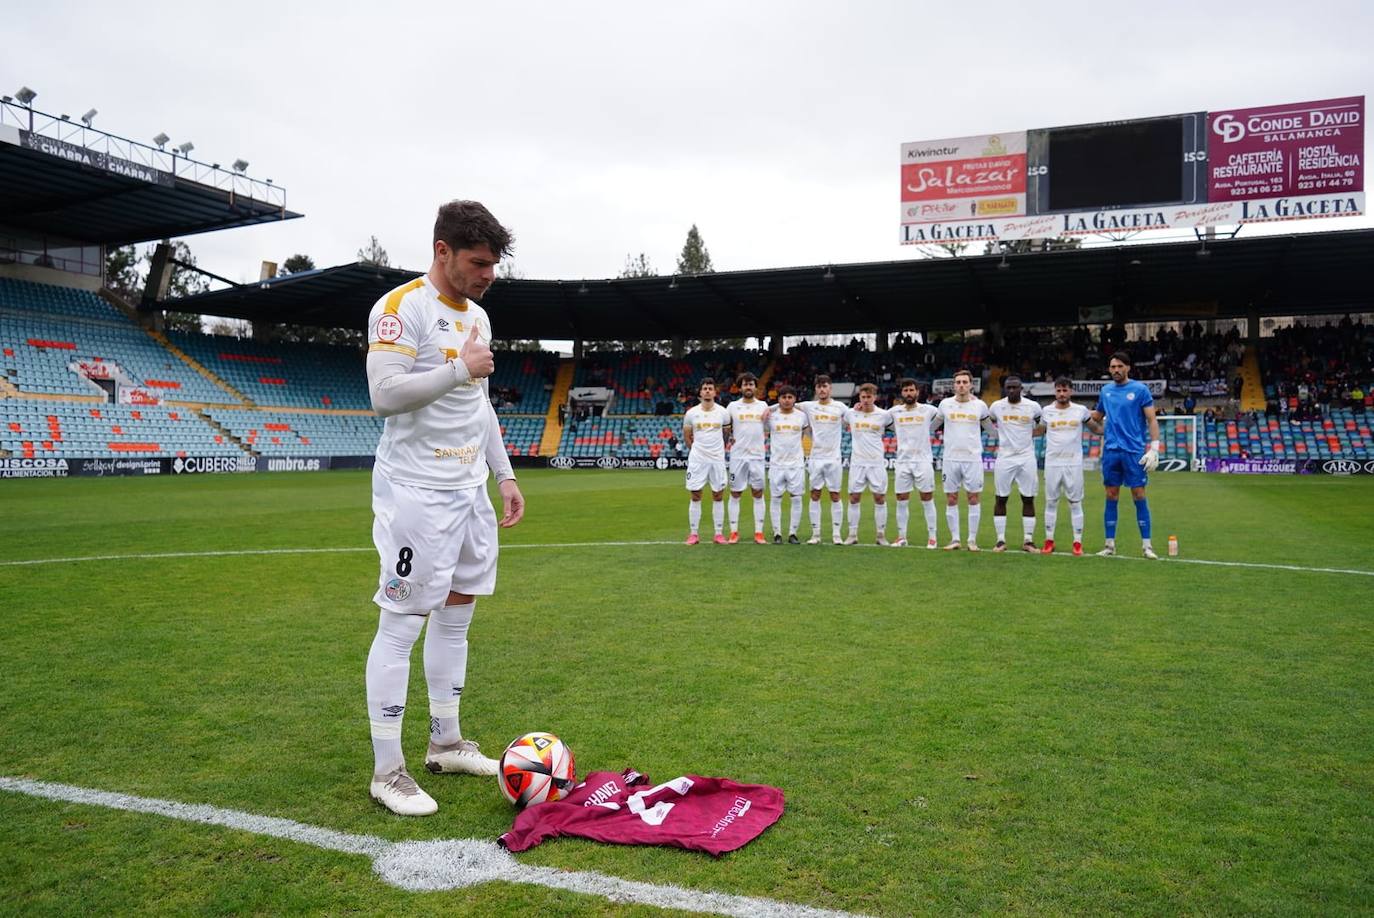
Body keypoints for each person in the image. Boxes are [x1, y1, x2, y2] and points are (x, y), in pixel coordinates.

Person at [363, 199, 524, 817]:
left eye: (493, 265)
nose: (487, 275)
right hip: (416, 492)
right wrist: (459, 366)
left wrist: (503, 475)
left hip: (468, 490)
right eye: (478, 262)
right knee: (402, 624)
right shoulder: (401, 310)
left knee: (456, 618)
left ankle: (446, 742)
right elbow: (384, 395)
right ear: (442, 252)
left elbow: (478, 407)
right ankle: (388, 771)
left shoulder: (479, 316)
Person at [1091, 352, 1162, 559]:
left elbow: (1152, 420)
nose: (1115, 370)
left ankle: (1147, 546)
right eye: (1112, 367)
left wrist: (1154, 448)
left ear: (1128, 367)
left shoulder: (1140, 390)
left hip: (1134, 452)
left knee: (1139, 495)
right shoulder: (1106, 391)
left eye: (1120, 366)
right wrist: (1075, 414)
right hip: (1112, 451)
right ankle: (1109, 545)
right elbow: (1097, 416)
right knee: (1111, 495)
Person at [1040, 377, 1102, 556]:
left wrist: (1116, 429)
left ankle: (1077, 542)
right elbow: (1039, 430)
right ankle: (1049, 541)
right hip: (1052, 463)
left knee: (1075, 502)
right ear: (1055, 392)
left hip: (1073, 463)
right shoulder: (1047, 411)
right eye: (1058, 390)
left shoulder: (1080, 411)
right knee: (1051, 502)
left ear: (1071, 391)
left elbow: (1096, 429)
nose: (1061, 393)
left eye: (1065, 390)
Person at [988, 376, 1044, 553]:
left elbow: (1042, 426)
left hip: (1026, 457)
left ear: (1021, 389)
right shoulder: (997, 406)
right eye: (1008, 388)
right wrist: (1000, 437)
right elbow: (986, 422)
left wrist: (1028, 437)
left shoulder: (1033, 407)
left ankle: (1028, 540)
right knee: (1000, 498)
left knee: (1028, 498)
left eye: (1014, 387)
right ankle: (1000, 540)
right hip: (1005, 457)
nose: (1011, 390)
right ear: (1004, 389)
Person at [937, 369, 989, 551]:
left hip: (972, 459)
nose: (961, 385)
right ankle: (955, 539)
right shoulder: (944, 404)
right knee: (951, 498)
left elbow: (991, 429)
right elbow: (932, 425)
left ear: (971, 385)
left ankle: (972, 540)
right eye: (958, 382)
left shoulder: (980, 406)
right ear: (954, 385)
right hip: (950, 459)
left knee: (973, 497)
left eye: (964, 382)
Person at [889, 378, 942, 548]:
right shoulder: (894, 412)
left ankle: (932, 538)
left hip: (923, 461)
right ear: (902, 393)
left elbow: (944, 415)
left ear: (917, 392)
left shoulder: (928, 410)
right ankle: (901, 536)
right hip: (903, 461)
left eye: (911, 390)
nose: (909, 393)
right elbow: (875, 415)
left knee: (926, 497)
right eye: (905, 391)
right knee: (901, 498)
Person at [798, 375, 846, 545]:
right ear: (815, 389)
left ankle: (836, 534)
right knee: (815, 494)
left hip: (833, 458)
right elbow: (785, 404)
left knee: (835, 495)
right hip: (815, 458)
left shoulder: (840, 407)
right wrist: (768, 409)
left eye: (824, 386)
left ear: (830, 388)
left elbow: (854, 416)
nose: (822, 389)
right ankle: (816, 534)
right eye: (818, 387)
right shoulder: (809, 406)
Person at [843, 383, 893, 545]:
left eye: (869, 397)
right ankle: (852, 534)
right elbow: (843, 424)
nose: (866, 400)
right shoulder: (851, 414)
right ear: (859, 398)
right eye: (863, 397)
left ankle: (880, 535)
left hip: (876, 463)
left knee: (879, 497)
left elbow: (896, 427)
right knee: (854, 497)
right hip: (857, 463)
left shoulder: (884, 415)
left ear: (875, 397)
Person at [683, 378, 730, 545]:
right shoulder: (691, 413)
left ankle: (718, 534)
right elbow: (687, 436)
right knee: (695, 494)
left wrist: (718, 450)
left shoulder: (723, 412)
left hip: (717, 459)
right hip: (698, 460)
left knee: (718, 495)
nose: (708, 391)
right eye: (705, 388)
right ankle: (694, 534)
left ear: (715, 392)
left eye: (711, 388)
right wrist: (696, 451)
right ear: (700, 392)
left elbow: (726, 433)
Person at [725, 372, 770, 544]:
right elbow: (725, 427)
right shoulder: (732, 406)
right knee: (735, 493)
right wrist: (728, 437)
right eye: (745, 384)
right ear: (740, 387)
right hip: (737, 456)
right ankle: (734, 532)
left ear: (755, 387)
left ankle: (759, 532)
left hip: (757, 455)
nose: (748, 387)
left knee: (758, 493)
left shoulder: (763, 406)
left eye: (751, 384)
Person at [767, 385, 809, 543]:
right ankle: (777, 533)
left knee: (796, 498)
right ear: (779, 399)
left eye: (790, 397)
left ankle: (793, 533)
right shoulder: (771, 416)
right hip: (776, 464)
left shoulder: (802, 416)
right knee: (776, 498)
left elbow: (805, 433)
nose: (786, 400)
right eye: (783, 397)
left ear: (794, 399)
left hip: (796, 464)